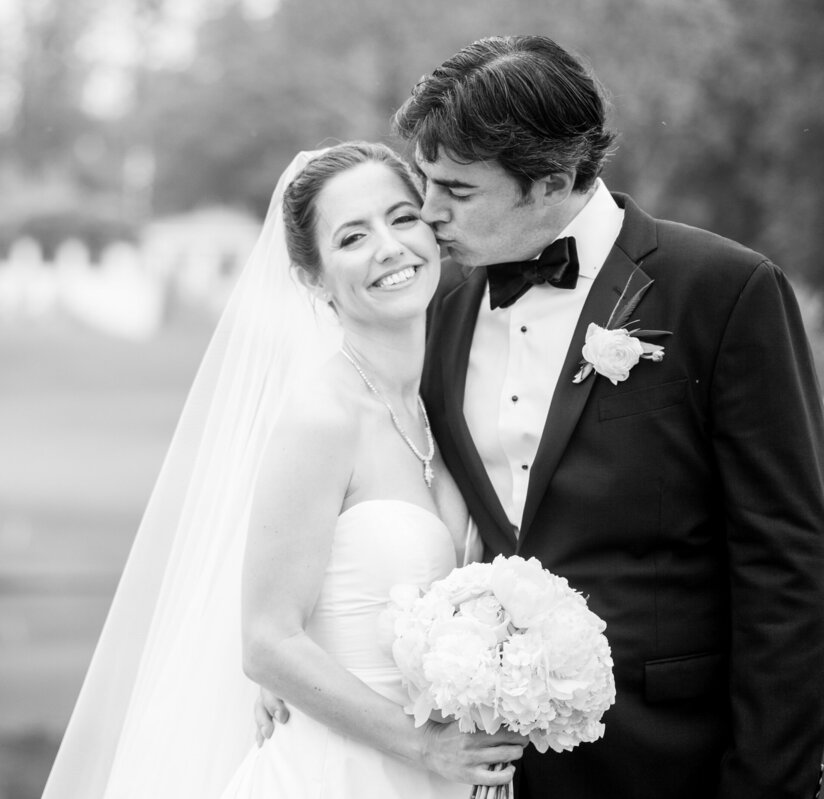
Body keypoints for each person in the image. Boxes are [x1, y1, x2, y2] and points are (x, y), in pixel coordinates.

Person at [262, 34, 824, 799]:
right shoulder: (444, 307)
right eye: (424, 182)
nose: (429, 215)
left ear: (551, 178)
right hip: (492, 772)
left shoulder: (724, 292)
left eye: (456, 191)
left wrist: (770, 782)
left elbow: (788, 563)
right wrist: (308, 660)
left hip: (674, 760)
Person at [41, 142, 524, 799]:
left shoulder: (450, 400)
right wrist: (425, 746)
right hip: (337, 774)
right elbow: (268, 642)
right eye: (353, 235)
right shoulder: (321, 417)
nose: (388, 246)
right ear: (313, 277)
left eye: (402, 217)